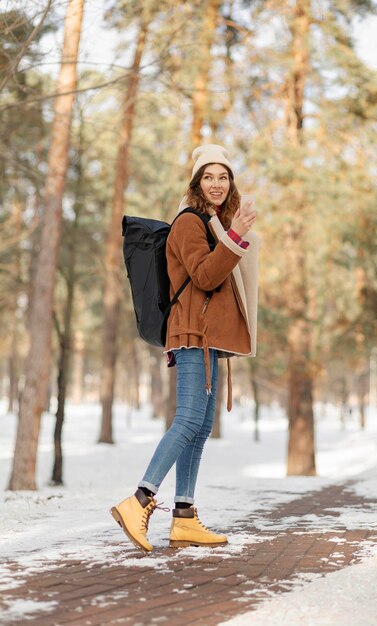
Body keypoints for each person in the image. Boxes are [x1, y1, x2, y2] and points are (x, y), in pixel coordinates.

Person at [111, 144, 259, 552]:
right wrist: (236, 236)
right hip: (193, 333)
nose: (216, 184)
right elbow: (205, 276)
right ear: (197, 183)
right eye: (208, 177)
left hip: (207, 336)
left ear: (231, 184)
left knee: (199, 429)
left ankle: (185, 516)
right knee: (189, 420)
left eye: (223, 177)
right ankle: (138, 500)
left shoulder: (213, 224)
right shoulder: (189, 223)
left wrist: (231, 234)